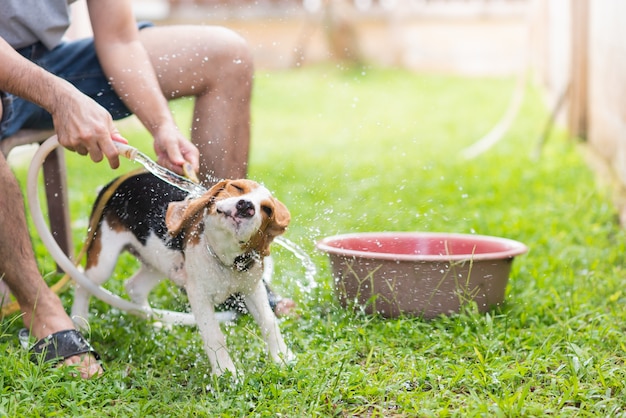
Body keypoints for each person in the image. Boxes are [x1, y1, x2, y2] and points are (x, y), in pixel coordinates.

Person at [0, 0, 293, 379]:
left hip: (50, 58)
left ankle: (219, 260)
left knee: (227, 54)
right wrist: (59, 96)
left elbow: (119, 38)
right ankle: (41, 309)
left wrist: (162, 125)